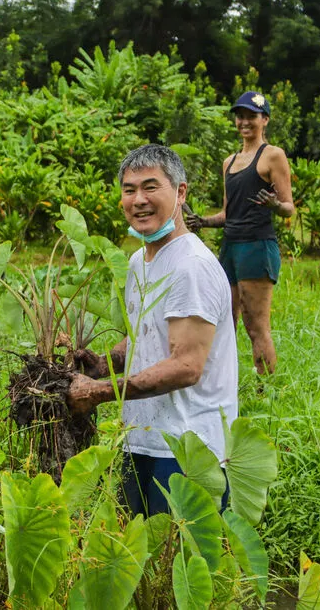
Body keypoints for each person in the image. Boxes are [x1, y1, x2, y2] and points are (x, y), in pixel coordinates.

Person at [69, 144, 238, 516]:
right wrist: (105, 363)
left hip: (187, 448)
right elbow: (148, 333)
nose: (138, 200)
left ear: (180, 193)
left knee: (186, 563)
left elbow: (186, 366)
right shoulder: (139, 261)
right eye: (129, 190)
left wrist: (100, 392)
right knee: (142, 560)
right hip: (141, 440)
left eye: (150, 187)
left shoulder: (191, 266)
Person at [185, 91, 295, 374]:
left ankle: (266, 392)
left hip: (257, 246)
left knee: (255, 326)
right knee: (225, 322)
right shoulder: (229, 162)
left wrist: (273, 204)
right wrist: (202, 222)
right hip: (230, 248)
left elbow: (288, 208)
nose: (244, 122)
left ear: (265, 120)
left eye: (251, 116)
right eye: (240, 116)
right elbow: (227, 213)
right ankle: (225, 387)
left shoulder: (273, 155)